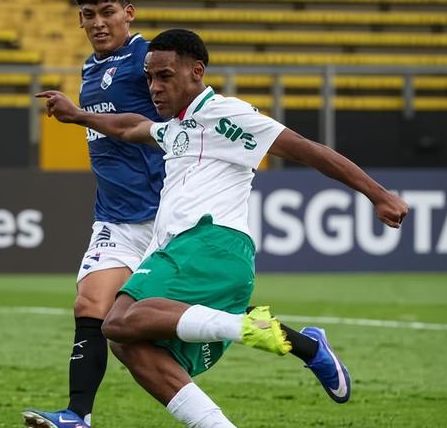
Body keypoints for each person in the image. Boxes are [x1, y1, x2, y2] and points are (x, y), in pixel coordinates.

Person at [38, 29, 409, 427]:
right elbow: (132, 127)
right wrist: (78, 116)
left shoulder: (228, 114)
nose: (154, 87)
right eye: (148, 78)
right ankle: (294, 350)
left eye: (164, 76)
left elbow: (308, 149)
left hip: (210, 243)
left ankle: (246, 327)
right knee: (131, 346)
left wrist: (378, 195)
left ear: (196, 72)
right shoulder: (177, 126)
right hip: (188, 253)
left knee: (117, 320)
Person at [21, 0, 165, 427]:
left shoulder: (151, 62)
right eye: (88, 14)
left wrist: (80, 116)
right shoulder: (90, 66)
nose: (97, 22)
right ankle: (76, 415)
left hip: (167, 217)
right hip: (116, 219)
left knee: (197, 325)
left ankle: (304, 346)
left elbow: (164, 120)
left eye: (107, 12)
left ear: (129, 13)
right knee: (90, 306)